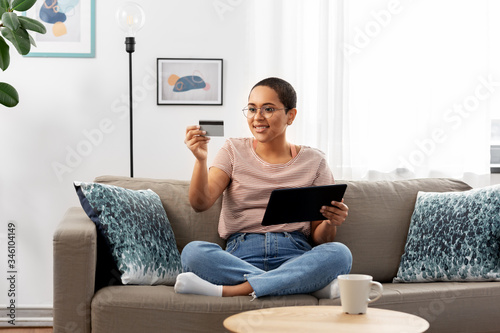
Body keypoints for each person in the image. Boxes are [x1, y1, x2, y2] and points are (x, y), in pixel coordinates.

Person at [175, 77, 352, 299]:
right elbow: (200, 204)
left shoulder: (314, 161)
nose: (258, 117)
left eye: (268, 109)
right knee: (193, 253)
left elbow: (322, 240)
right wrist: (200, 160)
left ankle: (236, 290)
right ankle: (303, 284)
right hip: (240, 256)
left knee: (340, 254)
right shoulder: (232, 150)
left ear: (291, 115)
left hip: (295, 254)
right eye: (252, 109)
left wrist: (330, 221)